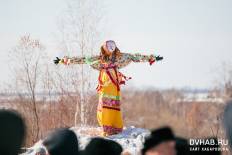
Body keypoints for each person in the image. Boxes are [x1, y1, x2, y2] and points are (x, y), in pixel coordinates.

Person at [54, 40, 163, 136]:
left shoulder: (119, 57)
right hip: (105, 84)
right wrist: (65, 60)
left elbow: (134, 57)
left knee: (113, 105)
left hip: (114, 85)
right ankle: (106, 127)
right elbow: (83, 59)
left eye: (112, 46)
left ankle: (114, 126)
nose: (111, 48)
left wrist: (150, 58)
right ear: (104, 48)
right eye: (108, 46)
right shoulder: (99, 59)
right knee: (104, 104)